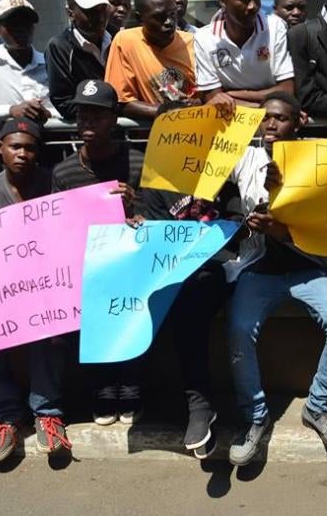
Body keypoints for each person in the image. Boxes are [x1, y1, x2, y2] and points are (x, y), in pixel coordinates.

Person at [224, 92, 327, 467]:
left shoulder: (318, 160)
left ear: (299, 122)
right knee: (237, 330)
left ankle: (316, 406)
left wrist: (282, 227)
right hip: (258, 269)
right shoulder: (246, 158)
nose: (271, 125)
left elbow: (325, 222)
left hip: (306, 266)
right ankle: (255, 417)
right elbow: (205, 164)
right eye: (265, 119)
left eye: (280, 118)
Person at [0, 118, 71, 473]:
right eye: (15, 146)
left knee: (46, 319)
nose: (22, 154)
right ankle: (7, 416)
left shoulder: (52, 182)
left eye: (30, 147)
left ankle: (48, 412)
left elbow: (67, 230)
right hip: (5, 281)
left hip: (50, 279)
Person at [52, 79, 143, 424]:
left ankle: (131, 384)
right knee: (91, 322)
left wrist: (136, 207)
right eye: (82, 115)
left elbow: (156, 214)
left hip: (129, 264)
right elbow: (58, 226)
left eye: (97, 116)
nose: (88, 123)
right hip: (86, 266)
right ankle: (103, 387)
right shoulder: (63, 171)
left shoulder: (135, 163)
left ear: (113, 120)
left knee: (131, 316)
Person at [140, 177, 239, 460]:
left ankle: (199, 404)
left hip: (222, 266)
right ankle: (199, 405)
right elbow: (155, 240)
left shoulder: (223, 177)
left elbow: (239, 227)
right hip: (174, 269)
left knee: (192, 297)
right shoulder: (155, 186)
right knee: (183, 296)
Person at [194, 0, 294, 107]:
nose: (253, 6)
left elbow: (287, 90)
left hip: (270, 120)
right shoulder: (204, 38)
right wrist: (265, 108)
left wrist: (232, 95)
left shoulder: (275, 27)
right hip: (234, 121)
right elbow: (212, 97)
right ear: (223, 0)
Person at [104, 0, 197, 120]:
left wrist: (197, 103)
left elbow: (210, 94)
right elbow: (121, 101)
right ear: (139, 18)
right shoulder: (126, 42)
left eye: (172, 14)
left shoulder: (194, 43)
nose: (169, 22)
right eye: (159, 17)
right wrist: (167, 112)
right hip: (150, 136)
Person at [46, 0, 112, 121]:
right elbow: (63, 102)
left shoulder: (118, 38)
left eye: (102, 9)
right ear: (70, 13)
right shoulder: (59, 47)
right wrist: (108, 111)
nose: (100, 17)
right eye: (91, 11)